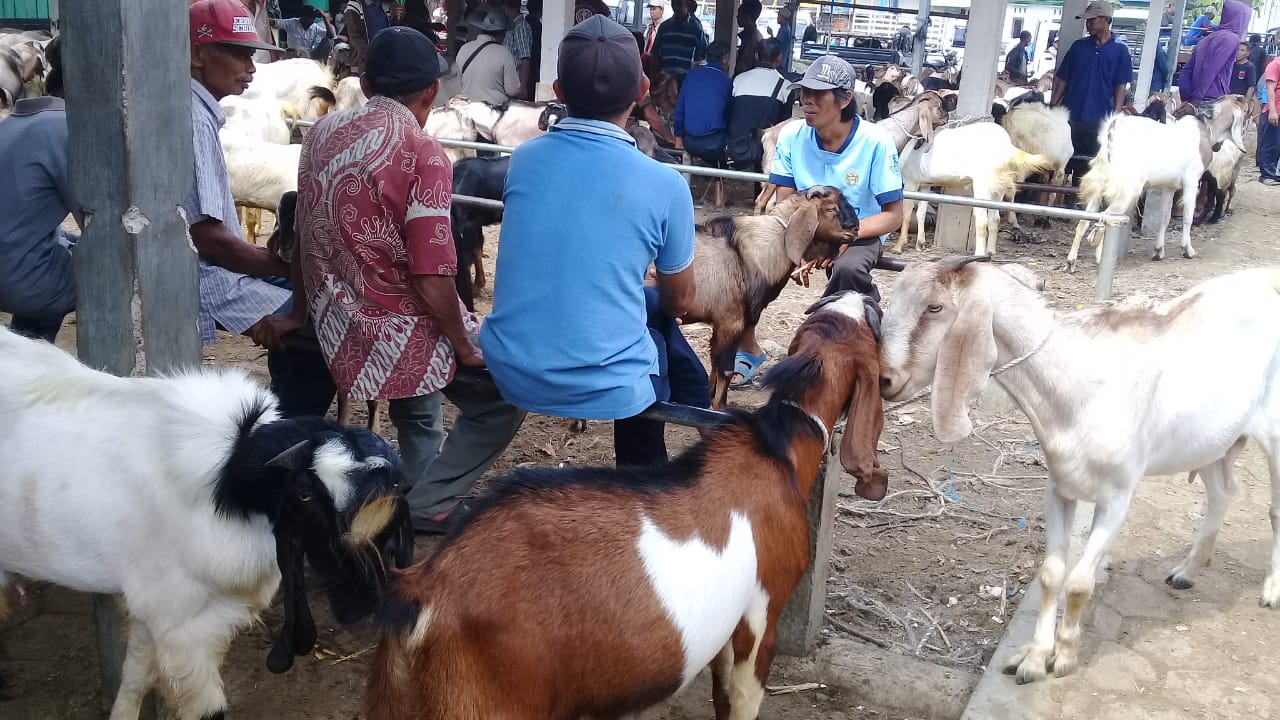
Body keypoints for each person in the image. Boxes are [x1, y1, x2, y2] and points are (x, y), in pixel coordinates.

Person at [286, 26, 526, 532]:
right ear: (431, 92)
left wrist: (299, 314)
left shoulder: (321, 135)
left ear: (366, 85)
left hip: (334, 324)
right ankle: (428, 501)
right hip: (397, 328)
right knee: (506, 394)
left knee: (420, 407)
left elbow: (304, 233)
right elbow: (431, 269)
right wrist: (463, 343)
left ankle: (419, 494)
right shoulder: (423, 152)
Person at [480, 15, 709, 467]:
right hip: (608, 385)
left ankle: (695, 400)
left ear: (559, 92)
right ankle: (647, 472)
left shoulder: (523, 160)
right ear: (643, 90)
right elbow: (681, 301)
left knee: (646, 311)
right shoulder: (666, 184)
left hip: (512, 365)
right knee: (660, 329)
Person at [187, 0, 337, 417]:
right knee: (322, 328)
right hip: (209, 277)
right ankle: (286, 432)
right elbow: (210, 240)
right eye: (237, 53)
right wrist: (290, 269)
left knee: (311, 300)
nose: (250, 67)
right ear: (198, 54)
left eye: (251, 55)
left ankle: (282, 407)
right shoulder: (195, 121)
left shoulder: (201, 112)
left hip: (217, 266)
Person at [732, 55, 903, 388]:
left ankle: (839, 342)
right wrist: (809, 242)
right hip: (804, 226)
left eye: (817, 94)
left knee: (848, 270)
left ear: (845, 99)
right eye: (803, 93)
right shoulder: (793, 136)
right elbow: (785, 200)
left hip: (859, 229)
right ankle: (748, 346)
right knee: (746, 264)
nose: (806, 101)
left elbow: (893, 216)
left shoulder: (875, 142)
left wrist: (840, 241)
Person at [0, 37, 77, 344]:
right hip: (21, 282)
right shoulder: (68, 130)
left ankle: (27, 344)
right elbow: (102, 225)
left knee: (62, 249)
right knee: (116, 273)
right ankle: (113, 368)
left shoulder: (12, 124)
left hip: (10, 268)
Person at [1052, 0, 1133, 182]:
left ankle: (1078, 204)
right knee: (1063, 162)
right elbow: (1063, 78)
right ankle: (1063, 199)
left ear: (1105, 20)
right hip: (1071, 116)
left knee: (1090, 167)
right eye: (1087, 21)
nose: (1087, 24)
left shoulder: (1120, 51)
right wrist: (1052, 105)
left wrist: (1117, 114)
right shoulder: (1078, 47)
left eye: (1092, 20)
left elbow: (1121, 85)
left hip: (1100, 118)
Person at [675, 40, 732, 205]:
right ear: (725, 60)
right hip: (715, 144)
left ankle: (708, 194)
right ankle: (720, 196)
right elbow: (728, 115)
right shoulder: (727, 82)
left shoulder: (691, 75)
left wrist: (678, 138)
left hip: (690, 141)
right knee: (724, 144)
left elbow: (680, 110)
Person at [725, 37, 791, 173]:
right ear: (779, 58)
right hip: (767, 149)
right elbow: (784, 125)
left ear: (756, 56)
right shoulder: (785, 86)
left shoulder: (738, 80)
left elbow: (728, 114)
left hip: (736, 147)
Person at [1179, 0, 1249, 104]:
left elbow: (1186, 71)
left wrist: (1186, 99)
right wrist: (1195, 100)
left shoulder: (1205, 39)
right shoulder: (1232, 39)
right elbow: (1210, 69)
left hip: (1193, 98)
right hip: (1213, 100)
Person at [457, 7, 520, 105]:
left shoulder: (464, 49)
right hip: (494, 111)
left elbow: (460, 82)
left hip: (467, 108)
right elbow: (513, 91)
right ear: (502, 33)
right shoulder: (504, 53)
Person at [651, 0, 707, 81]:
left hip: (685, 80)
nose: (676, 7)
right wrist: (653, 78)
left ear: (687, 4)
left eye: (679, 4)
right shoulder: (664, 27)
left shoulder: (696, 28)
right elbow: (655, 54)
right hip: (665, 79)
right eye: (673, 4)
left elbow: (703, 54)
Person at [501, 0, 534, 99]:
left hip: (516, 80)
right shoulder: (511, 25)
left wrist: (522, 86)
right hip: (507, 79)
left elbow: (525, 58)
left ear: (507, 7)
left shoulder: (521, 27)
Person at [1260, 55, 1280, 185]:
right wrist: (1272, 111)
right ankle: (1267, 174)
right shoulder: (1275, 64)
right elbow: (1270, 89)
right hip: (1276, 110)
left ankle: (1276, 173)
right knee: (1272, 143)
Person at [734, 0, 763, 76]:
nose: (737, 16)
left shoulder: (752, 39)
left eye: (739, 13)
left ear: (747, 16)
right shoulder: (750, 36)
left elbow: (743, 68)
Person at [341, 0, 370, 73]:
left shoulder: (389, 6)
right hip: (363, 61)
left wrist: (399, 19)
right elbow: (355, 38)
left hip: (387, 60)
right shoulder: (354, 6)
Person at [775, 5, 794, 73]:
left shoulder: (784, 29)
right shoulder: (785, 28)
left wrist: (771, 34)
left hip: (780, 62)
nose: (777, 18)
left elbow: (776, 43)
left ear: (783, 17)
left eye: (779, 16)